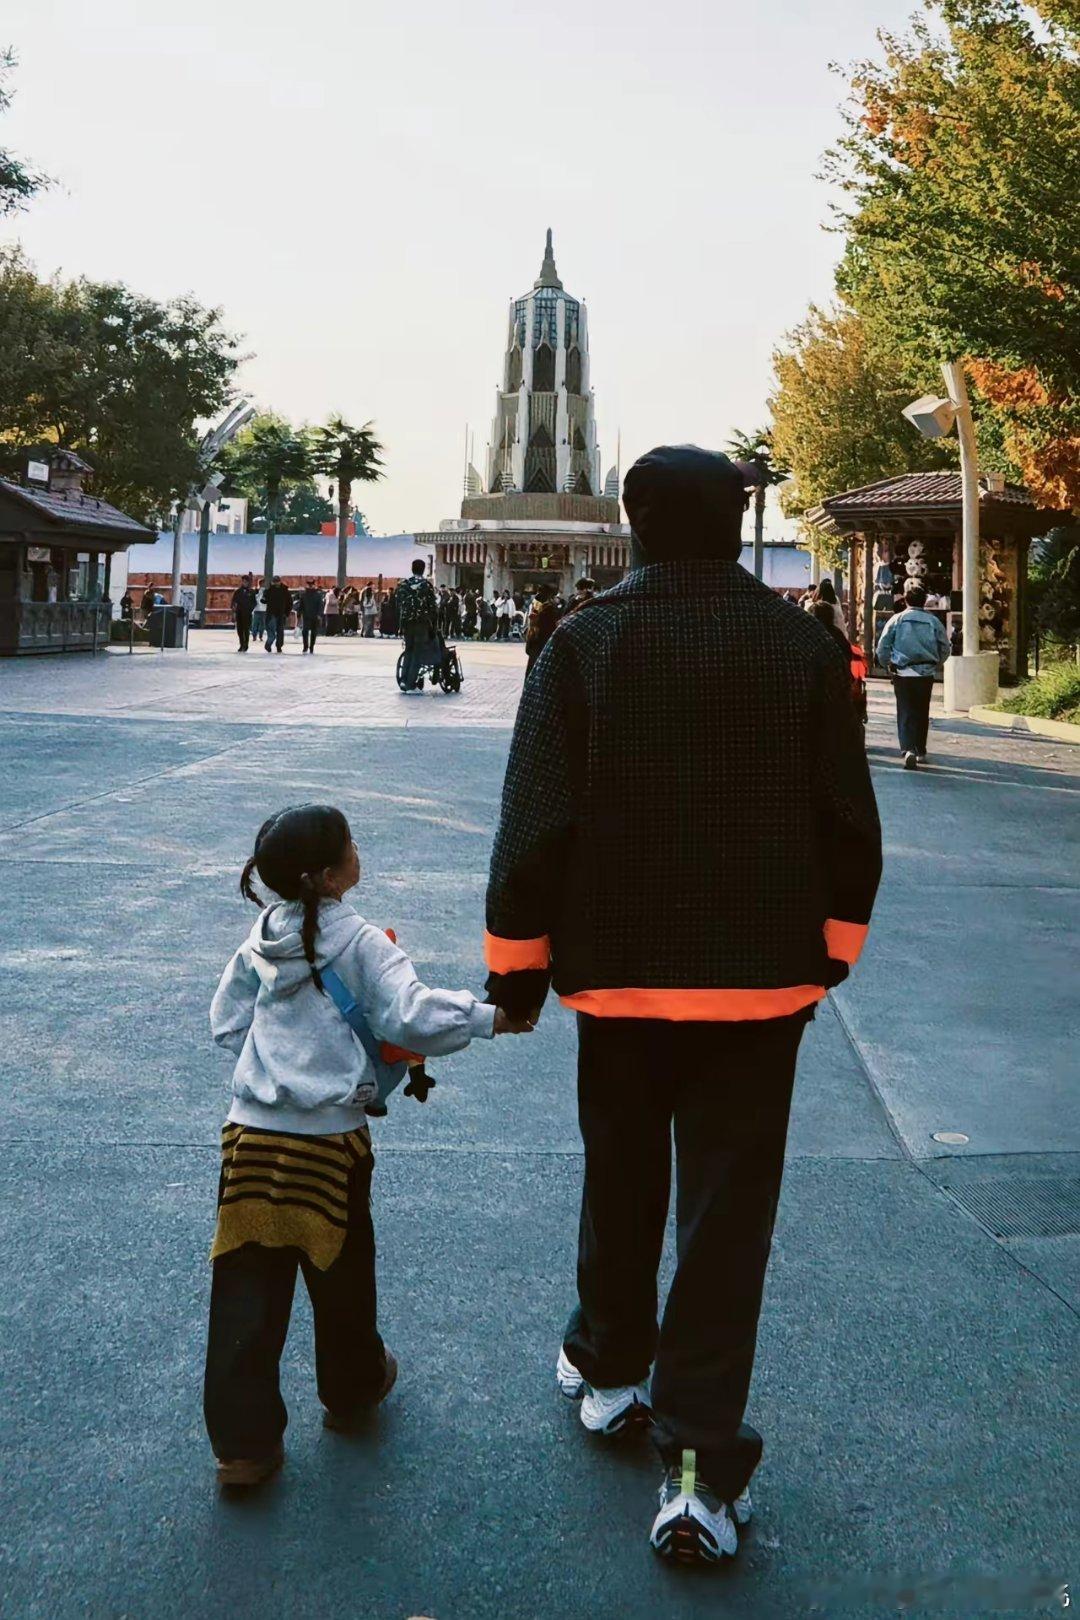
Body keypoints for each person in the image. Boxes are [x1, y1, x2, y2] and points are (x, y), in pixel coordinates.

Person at [484, 444, 881, 1564]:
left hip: (617, 980)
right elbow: (848, 823)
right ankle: (699, 1468)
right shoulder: (806, 648)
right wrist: (831, 954)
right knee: (726, 1218)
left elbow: (534, 823)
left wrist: (516, 974)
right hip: (761, 990)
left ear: (640, 519)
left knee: (621, 1174)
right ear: (738, 517)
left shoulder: (584, 645)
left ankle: (609, 1365)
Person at [205, 804, 528, 1487]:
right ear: (327, 876)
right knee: (341, 1273)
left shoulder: (260, 936)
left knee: (245, 1288)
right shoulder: (359, 941)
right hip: (328, 1144)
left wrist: (272, 1073)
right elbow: (409, 1013)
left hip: (250, 1140)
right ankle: (352, 1387)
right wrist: (490, 1017)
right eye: (350, 844)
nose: (359, 850)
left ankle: (243, 1446)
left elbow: (226, 1022)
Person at [875, 582, 951, 769]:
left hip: (903, 671)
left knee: (906, 710)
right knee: (922, 710)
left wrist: (887, 665)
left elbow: (882, 647)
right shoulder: (933, 621)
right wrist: (936, 663)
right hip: (926, 673)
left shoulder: (897, 620)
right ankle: (920, 750)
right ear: (924, 601)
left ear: (906, 601)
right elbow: (945, 647)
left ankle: (908, 748)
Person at [394, 558, 439, 691]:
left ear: (412, 568)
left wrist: (400, 624)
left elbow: (398, 606)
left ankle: (403, 680)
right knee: (417, 653)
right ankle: (410, 683)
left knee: (408, 650)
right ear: (423, 569)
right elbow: (433, 608)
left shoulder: (403, 585)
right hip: (422, 624)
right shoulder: (426, 586)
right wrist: (434, 627)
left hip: (407, 624)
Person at [524, 583, 560, 676]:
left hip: (541, 640)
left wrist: (536, 619)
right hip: (540, 640)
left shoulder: (549, 607)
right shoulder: (544, 605)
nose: (538, 594)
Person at [263, 576, 292, 654]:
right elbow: (264, 600)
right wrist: (264, 598)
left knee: (280, 631)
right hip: (271, 613)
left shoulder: (285, 591)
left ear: (280, 581)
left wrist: (287, 613)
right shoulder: (269, 590)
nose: (276, 583)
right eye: (275, 581)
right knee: (271, 631)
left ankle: (279, 646)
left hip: (281, 614)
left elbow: (289, 603)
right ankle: (268, 644)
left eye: (277, 581)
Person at [231, 574, 257, 653]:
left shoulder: (251, 592)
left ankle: (245, 644)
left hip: (247, 614)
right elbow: (233, 602)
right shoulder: (238, 592)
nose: (244, 583)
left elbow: (254, 603)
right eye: (243, 581)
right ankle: (241, 644)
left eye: (246, 582)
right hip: (239, 613)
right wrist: (234, 610)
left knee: (246, 630)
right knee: (240, 630)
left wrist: (250, 609)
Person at [299, 579, 325, 655]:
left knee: (314, 632)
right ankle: (305, 646)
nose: (310, 586)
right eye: (309, 584)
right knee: (305, 631)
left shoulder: (317, 594)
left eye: (311, 584)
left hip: (315, 616)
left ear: (314, 585)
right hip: (306, 615)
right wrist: (299, 614)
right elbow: (301, 605)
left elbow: (320, 605)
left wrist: (319, 614)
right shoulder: (304, 594)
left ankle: (311, 646)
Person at [251, 579, 267, 644]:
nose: (263, 584)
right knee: (255, 624)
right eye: (262, 583)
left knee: (262, 624)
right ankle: (254, 636)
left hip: (263, 610)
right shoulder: (256, 591)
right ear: (260, 584)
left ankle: (260, 636)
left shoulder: (266, 591)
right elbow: (254, 598)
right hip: (257, 609)